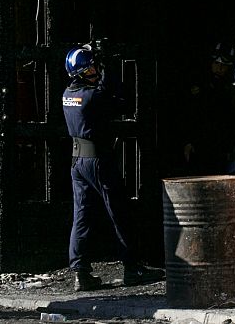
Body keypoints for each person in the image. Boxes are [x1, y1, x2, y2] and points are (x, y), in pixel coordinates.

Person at [62, 45, 162, 292]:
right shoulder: (92, 96)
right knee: (119, 211)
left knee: (81, 215)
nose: (95, 71)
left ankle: (80, 272)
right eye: (92, 68)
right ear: (82, 72)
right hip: (97, 159)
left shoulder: (68, 94)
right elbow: (120, 101)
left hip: (77, 160)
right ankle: (132, 267)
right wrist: (111, 69)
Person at [182, 42, 235, 174]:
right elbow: (190, 115)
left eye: (224, 65)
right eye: (217, 63)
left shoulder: (231, 89)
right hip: (200, 144)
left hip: (223, 146)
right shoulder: (200, 86)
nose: (220, 68)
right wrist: (189, 141)